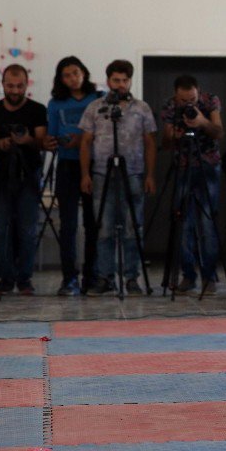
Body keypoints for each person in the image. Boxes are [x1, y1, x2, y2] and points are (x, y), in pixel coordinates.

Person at [80, 59, 157, 296]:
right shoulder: (95, 107)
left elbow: (150, 143)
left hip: (132, 173)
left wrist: (150, 175)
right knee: (103, 229)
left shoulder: (141, 108)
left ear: (130, 81)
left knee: (133, 229)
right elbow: (85, 142)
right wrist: (85, 174)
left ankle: (132, 278)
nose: (120, 84)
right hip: (102, 174)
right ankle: (105, 278)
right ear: (108, 81)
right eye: (116, 80)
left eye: (124, 80)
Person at [0, 64, 48, 296]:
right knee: (1, 228)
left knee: (27, 229)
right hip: (0, 175)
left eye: (19, 86)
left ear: (27, 85)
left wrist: (26, 140)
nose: (15, 90)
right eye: (10, 86)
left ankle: (24, 278)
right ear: (3, 84)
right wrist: (0, 143)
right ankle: (5, 279)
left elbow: (43, 142)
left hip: (29, 174)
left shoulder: (37, 110)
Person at [160, 75, 224, 296]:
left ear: (199, 91)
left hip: (208, 166)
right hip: (183, 166)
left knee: (207, 223)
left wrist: (201, 122)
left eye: (192, 99)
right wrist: (173, 135)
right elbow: (165, 143)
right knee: (182, 222)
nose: (189, 104)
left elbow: (219, 132)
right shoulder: (169, 106)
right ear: (176, 96)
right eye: (183, 100)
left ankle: (210, 276)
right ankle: (188, 275)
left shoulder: (210, 101)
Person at [44, 56, 103, 296]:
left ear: (84, 73)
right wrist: (51, 142)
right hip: (67, 165)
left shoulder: (98, 98)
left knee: (93, 224)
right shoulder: (55, 103)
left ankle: (92, 276)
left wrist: (84, 140)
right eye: (66, 75)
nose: (72, 78)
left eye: (76, 73)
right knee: (68, 225)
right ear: (61, 79)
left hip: (93, 165)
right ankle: (69, 278)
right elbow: (51, 134)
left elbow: (105, 131)